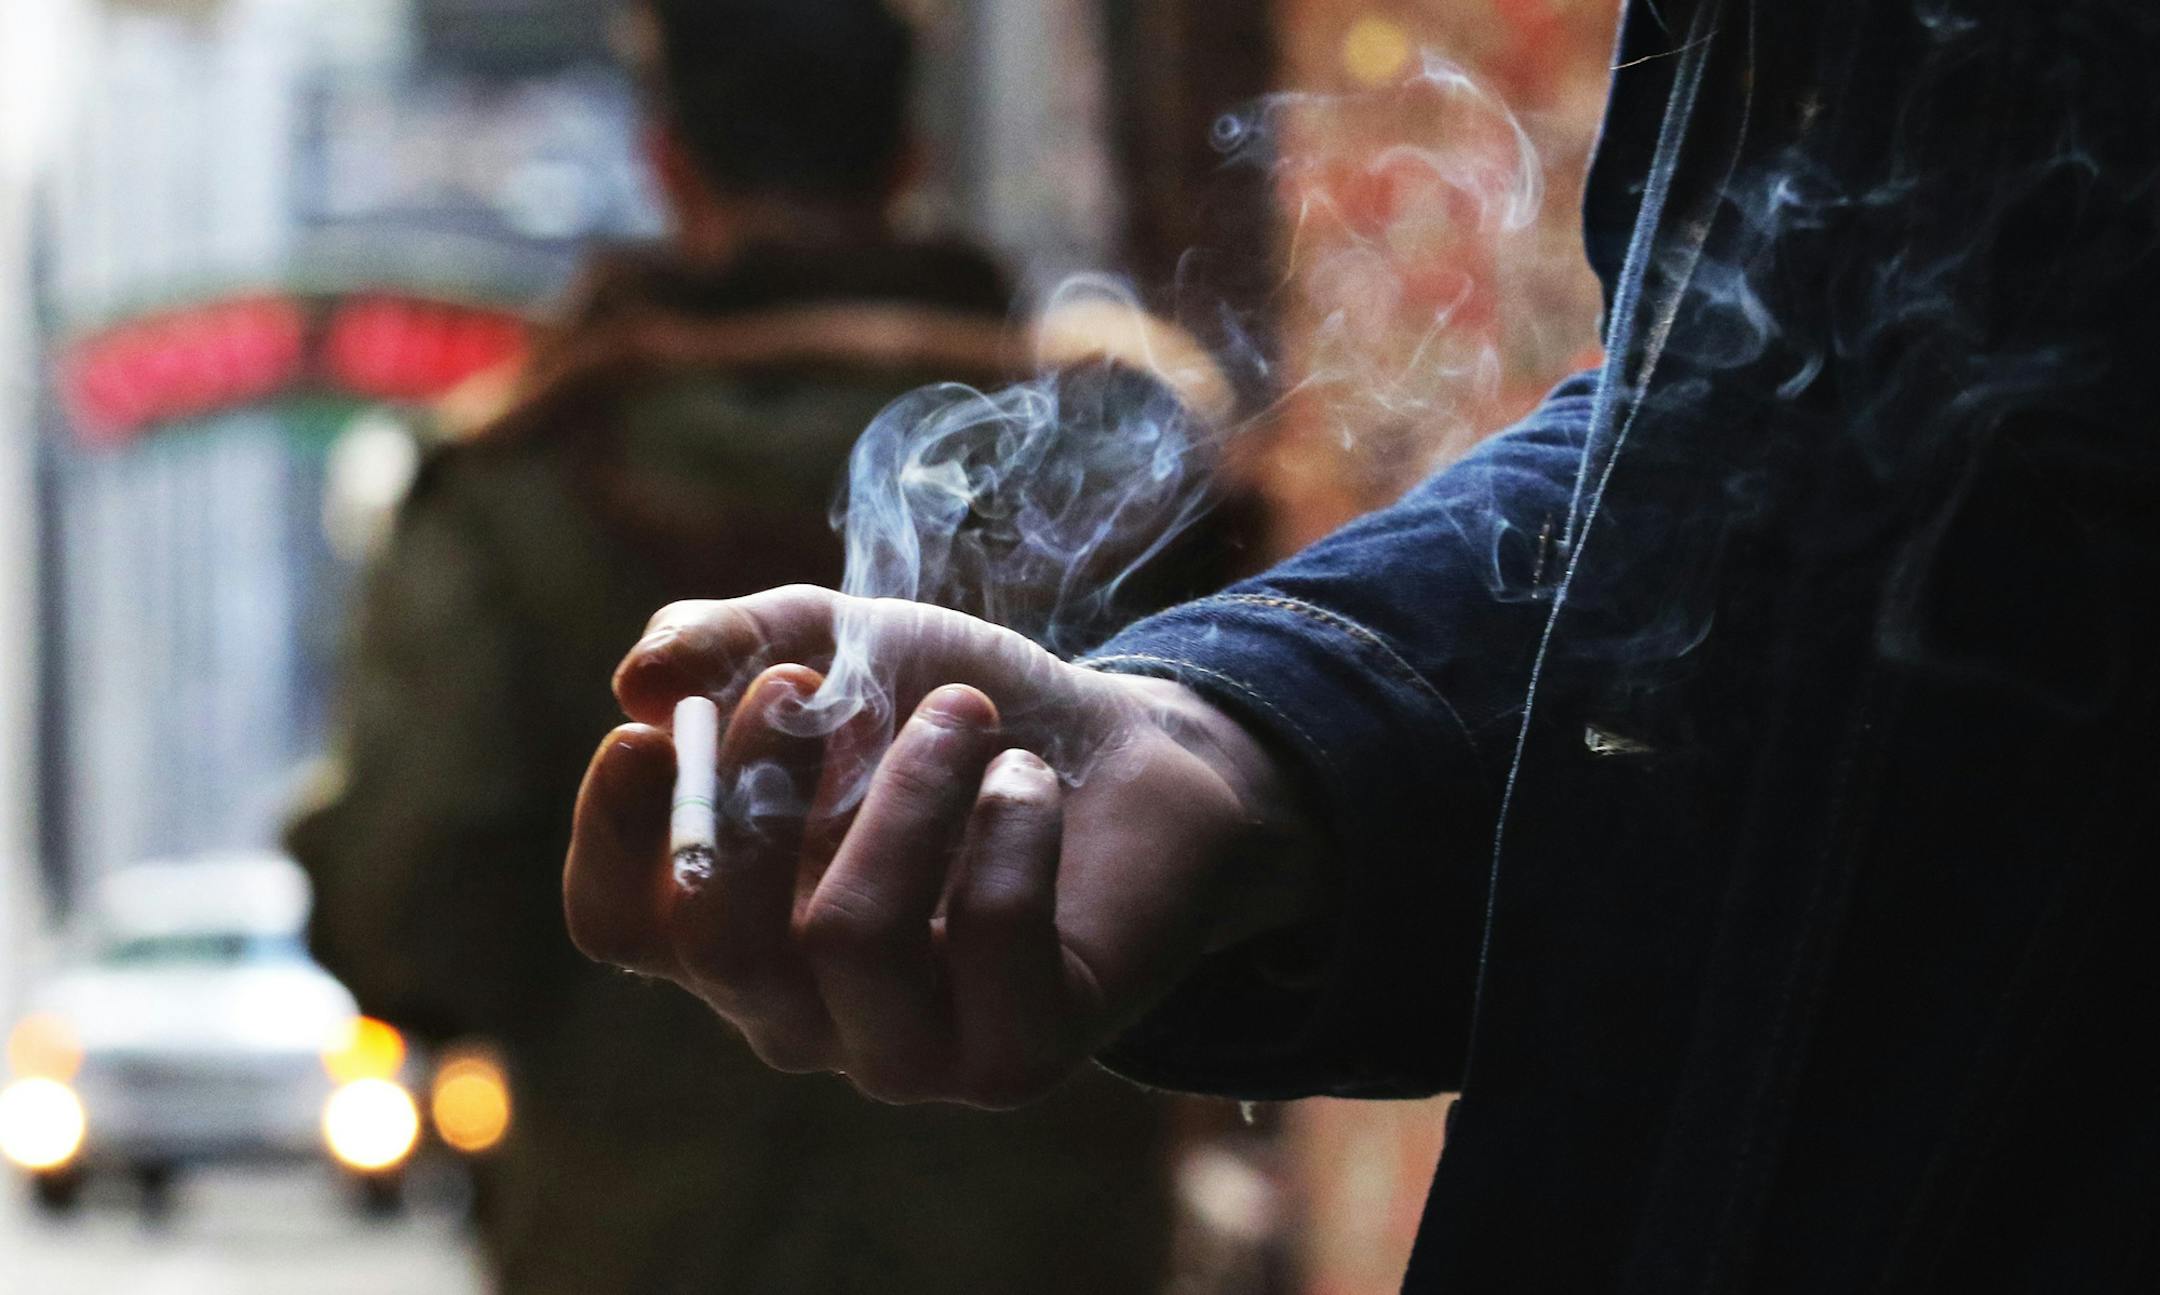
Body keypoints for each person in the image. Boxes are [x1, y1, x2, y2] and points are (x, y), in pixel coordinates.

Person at [563, 1, 2160, 1290]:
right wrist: (1241, 735)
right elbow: (1766, 464)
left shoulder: (547, 466)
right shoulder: (1118, 402)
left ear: (667, 161)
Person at [288, 2, 1247, 1290]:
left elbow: (417, 920)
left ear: (669, 155)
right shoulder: (1120, 457)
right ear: (907, 155)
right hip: (1035, 1248)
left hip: (644, 1249)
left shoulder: (513, 479)